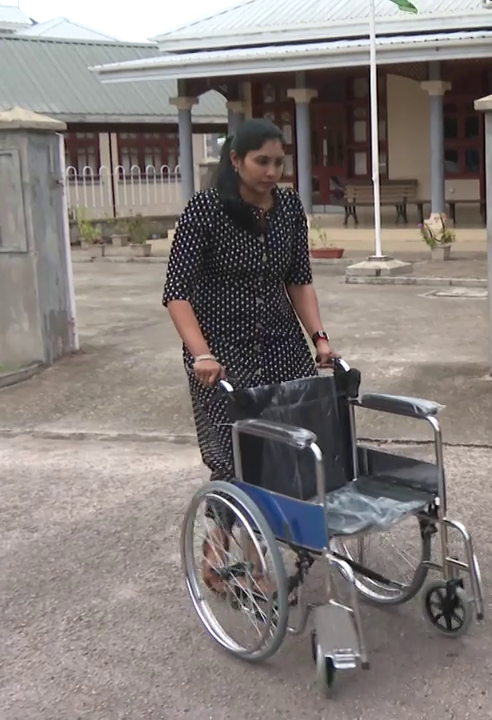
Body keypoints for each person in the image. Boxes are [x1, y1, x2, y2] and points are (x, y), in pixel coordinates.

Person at [162, 118, 335, 595]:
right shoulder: (205, 210)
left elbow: (299, 279)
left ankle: (290, 549)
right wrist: (201, 354)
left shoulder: (288, 210)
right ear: (235, 161)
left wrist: (319, 338)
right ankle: (219, 549)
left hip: (281, 344)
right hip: (220, 354)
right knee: (237, 457)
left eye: (279, 162)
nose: (273, 171)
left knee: (295, 446)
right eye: (262, 161)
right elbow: (176, 293)